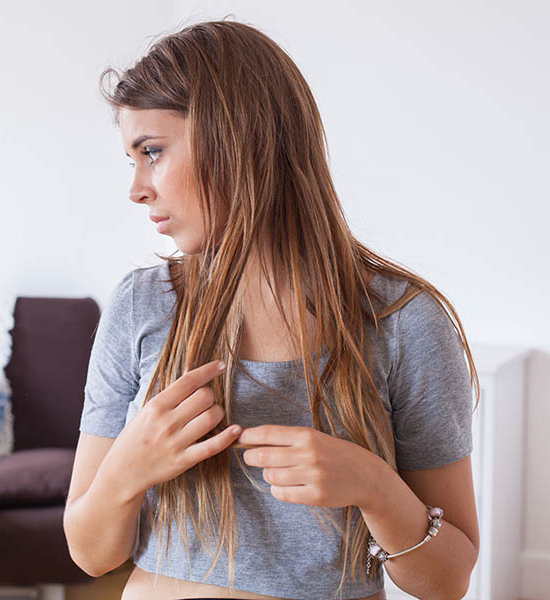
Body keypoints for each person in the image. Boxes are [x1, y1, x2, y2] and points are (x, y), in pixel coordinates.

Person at [63, 21, 480, 600]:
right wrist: (127, 470)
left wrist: (375, 487)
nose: (137, 188)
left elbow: (447, 580)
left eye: (153, 152)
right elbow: (89, 552)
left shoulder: (404, 322)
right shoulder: (140, 305)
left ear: (237, 139)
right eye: (132, 159)